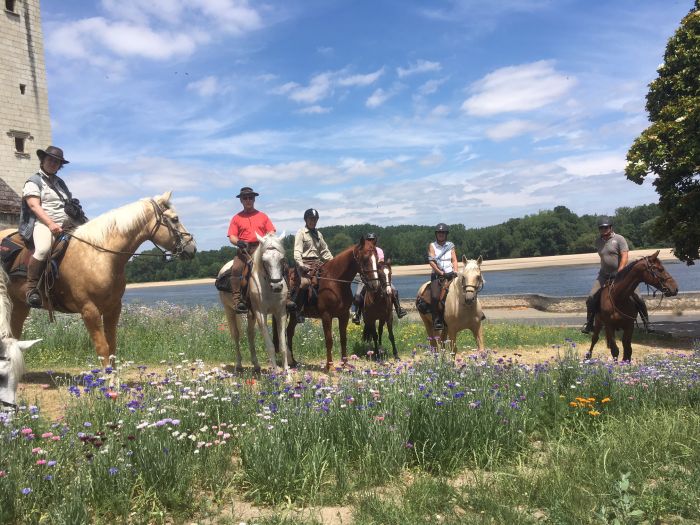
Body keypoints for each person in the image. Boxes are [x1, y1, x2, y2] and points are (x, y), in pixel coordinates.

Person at [18, 146, 82, 308]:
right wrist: (51, 224)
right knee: (43, 249)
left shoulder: (60, 183)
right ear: (43, 160)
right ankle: (32, 289)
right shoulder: (34, 181)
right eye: (50, 160)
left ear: (60, 165)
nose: (53, 163)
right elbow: (34, 206)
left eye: (57, 162)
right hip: (44, 224)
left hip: (68, 224)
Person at [227, 187, 295, 314]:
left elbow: (271, 231)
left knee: (284, 266)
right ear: (241, 200)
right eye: (245, 198)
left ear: (254, 199)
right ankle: (237, 301)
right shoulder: (236, 218)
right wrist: (238, 242)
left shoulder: (263, 216)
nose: (248, 200)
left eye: (250, 198)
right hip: (245, 250)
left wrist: (268, 240)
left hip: (262, 248)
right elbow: (232, 236)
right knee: (236, 268)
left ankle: (288, 297)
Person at [581, 217, 651, 333]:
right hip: (604, 275)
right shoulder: (598, 241)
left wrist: (620, 270)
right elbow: (604, 257)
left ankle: (647, 323)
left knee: (638, 297)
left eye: (606, 227)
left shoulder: (619, 239)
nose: (603, 229)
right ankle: (589, 324)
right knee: (591, 298)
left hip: (623, 274)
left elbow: (624, 255)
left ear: (611, 227)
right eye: (601, 227)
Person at [351, 232, 407, 324]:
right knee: (358, 295)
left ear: (375, 241)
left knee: (394, 290)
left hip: (380, 277)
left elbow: (380, 263)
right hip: (367, 277)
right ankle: (357, 314)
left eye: (372, 240)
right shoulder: (363, 251)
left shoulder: (379, 250)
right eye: (369, 240)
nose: (371, 242)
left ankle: (398, 309)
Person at [291, 208, 334, 322]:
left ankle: (325, 307)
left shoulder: (318, 234)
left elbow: (325, 251)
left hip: (317, 263)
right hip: (304, 262)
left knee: (330, 280)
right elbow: (297, 252)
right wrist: (301, 265)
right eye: (311, 219)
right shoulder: (301, 233)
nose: (313, 221)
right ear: (306, 219)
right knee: (305, 283)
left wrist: (334, 263)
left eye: (315, 219)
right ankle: (298, 310)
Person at [427, 223, 459, 330]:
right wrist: (441, 273)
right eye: (439, 233)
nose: (441, 234)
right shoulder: (432, 245)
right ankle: (436, 319)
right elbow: (432, 262)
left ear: (446, 234)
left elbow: (454, 260)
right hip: (438, 275)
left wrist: (455, 271)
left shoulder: (451, 245)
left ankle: (474, 313)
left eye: (443, 233)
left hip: (451, 274)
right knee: (435, 296)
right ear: (436, 234)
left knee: (466, 289)